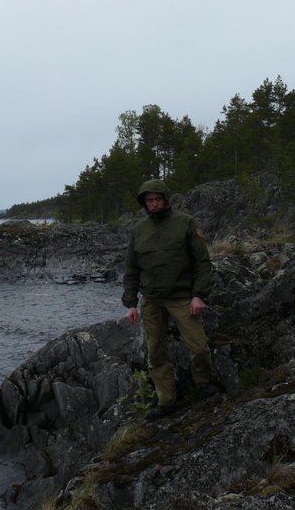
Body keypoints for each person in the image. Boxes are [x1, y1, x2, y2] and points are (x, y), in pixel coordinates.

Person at [122, 178, 214, 420]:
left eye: (157, 199)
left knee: (199, 346)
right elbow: (131, 269)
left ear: (165, 199)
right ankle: (167, 401)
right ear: (144, 202)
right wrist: (131, 303)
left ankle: (204, 385)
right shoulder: (139, 230)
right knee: (156, 352)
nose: (154, 204)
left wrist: (198, 295)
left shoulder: (185, 223)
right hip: (151, 300)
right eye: (149, 200)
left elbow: (202, 262)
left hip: (183, 297)